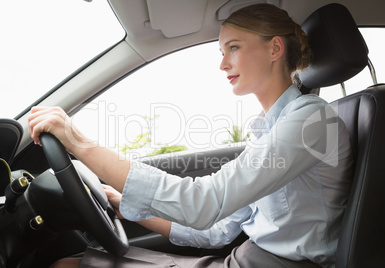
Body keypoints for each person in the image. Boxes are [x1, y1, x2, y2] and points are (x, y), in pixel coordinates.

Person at [28, 3, 353, 268]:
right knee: (74, 263)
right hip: (244, 259)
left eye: (234, 48)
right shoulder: (269, 128)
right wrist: (119, 204)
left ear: (275, 48)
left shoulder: (312, 120)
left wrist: (80, 143)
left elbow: (203, 203)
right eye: (221, 52)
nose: (223, 64)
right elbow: (216, 229)